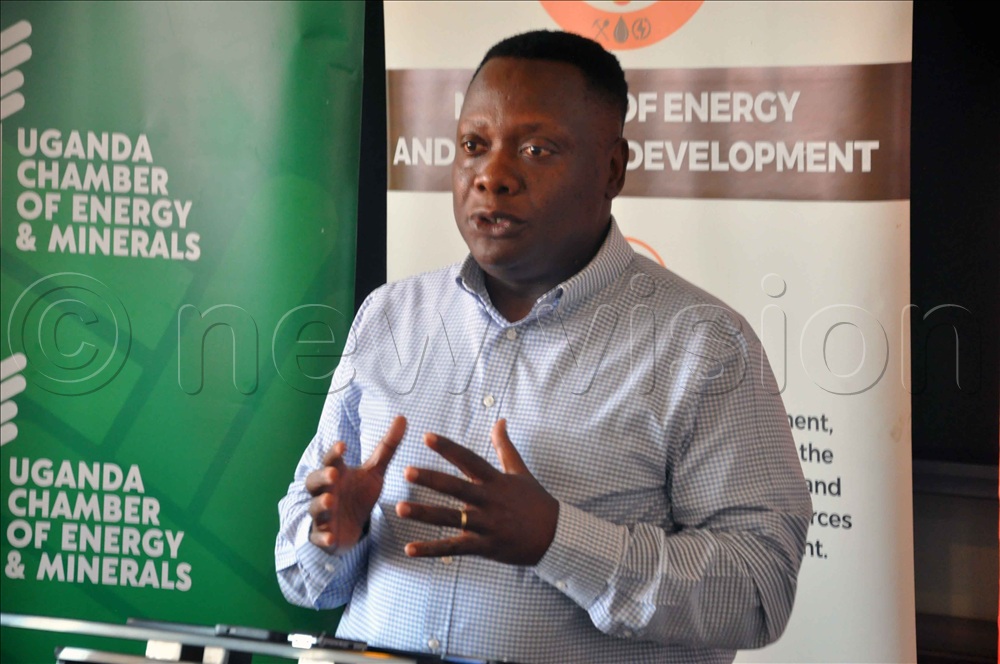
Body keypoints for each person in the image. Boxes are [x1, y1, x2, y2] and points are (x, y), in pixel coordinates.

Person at [276, 30, 811, 664]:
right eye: (474, 145)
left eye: (535, 149)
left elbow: (758, 589)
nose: (493, 177)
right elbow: (304, 575)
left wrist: (559, 541)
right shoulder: (391, 316)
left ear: (612, 170)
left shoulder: (703, 345)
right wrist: (337, 531)